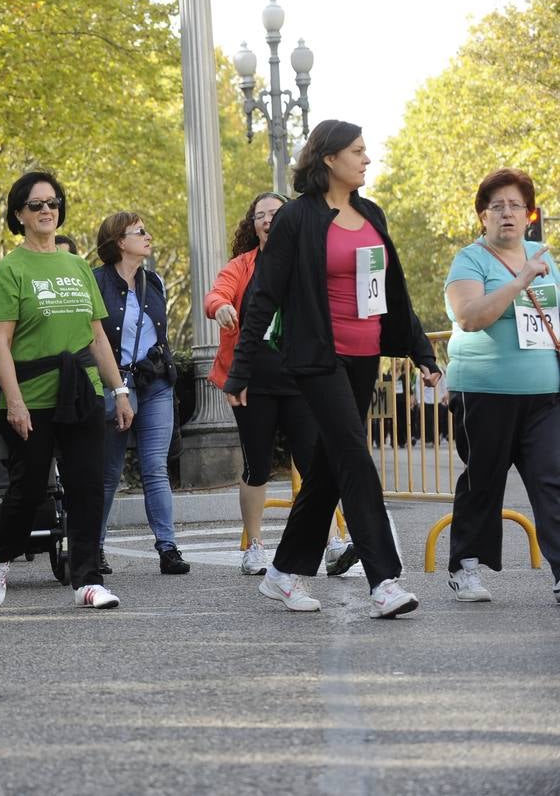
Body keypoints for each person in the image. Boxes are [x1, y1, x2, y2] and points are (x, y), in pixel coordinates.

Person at [224, 119, 440, 619]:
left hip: (365, 356)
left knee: (324, 469)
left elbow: (392, 292)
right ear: (328, 158)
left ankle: (280, 574)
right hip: (317, 357)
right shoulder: (297, 219)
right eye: (358, 151)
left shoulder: (370, 213)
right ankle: (384, 580)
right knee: (352, 454)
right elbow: (263, 295)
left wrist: (421, 352)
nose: (366, 159)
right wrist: (242, 368)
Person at [0, 170, 133, 609]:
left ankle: (87, 579)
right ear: (19, 215)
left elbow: (97, 336)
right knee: (28, 492)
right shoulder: (9, 270)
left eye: (52, 203)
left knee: (88, 486)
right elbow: (0, 342)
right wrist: (14, 401)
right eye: (36, 205)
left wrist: (118, 390)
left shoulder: (77, 265)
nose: (47, 210)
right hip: (32, 393)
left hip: (82, 391)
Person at [442, 168, 560, 603]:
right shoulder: (470, 260)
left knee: (553, 479)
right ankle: (465, 567)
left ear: (529, 215)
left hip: (545, 395)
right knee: (484, 480)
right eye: (497, 207)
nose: (507, 214)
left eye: (516, 206)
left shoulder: (545, 257)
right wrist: (518, 282)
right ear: (483, 217)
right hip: (484, 391)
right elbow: (470, 316)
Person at [206, 193, 329, 577]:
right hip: (251, 382)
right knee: (257, 466)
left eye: (275, 213)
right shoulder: (242, 266)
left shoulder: (309, 261)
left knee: (315, 465)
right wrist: (221, 307)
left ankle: (330, 541)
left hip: (301, 380)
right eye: (260, 215)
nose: (267, 220)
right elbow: (217, 294)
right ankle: (255, 546)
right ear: (253, 225)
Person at [94, 212, 190, 575]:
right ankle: (94, 547)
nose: (148, 236)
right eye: (140, 232)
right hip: (114, 385)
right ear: (120, 241)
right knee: (108, 471)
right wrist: (116, 386)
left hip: (155, 384)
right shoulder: (97, 282)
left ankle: (168, 548)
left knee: (155, 468)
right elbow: (93, 339)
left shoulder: (155, 282)